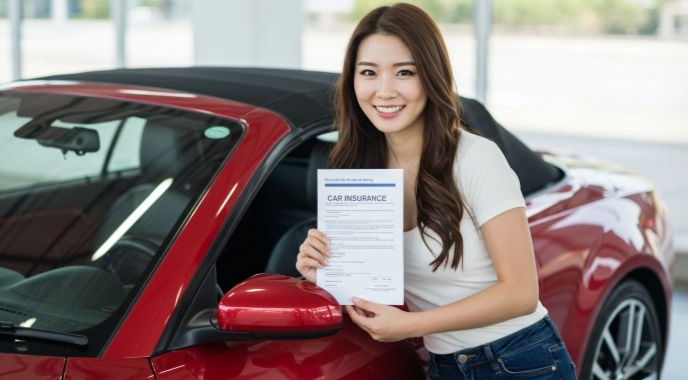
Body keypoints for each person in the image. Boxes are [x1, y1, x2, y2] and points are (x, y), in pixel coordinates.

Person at [295, 3, 576, 379]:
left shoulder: (476, 158)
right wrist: (327, 273)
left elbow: (521, 293)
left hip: (519, 358)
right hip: (446, 366)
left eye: (404, 72)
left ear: (431, 76)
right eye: (368, 73)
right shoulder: (357, 170)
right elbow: (376, 287)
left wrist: (412, 326)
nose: (384, 90)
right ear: (352, 81)